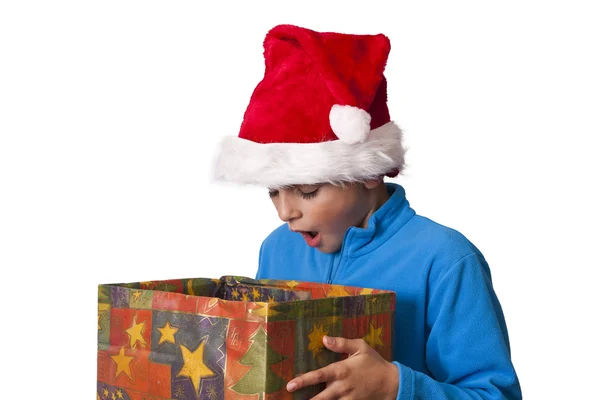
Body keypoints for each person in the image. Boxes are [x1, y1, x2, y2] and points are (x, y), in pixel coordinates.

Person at [213, 24, 522, 400]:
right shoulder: (276, 249)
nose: (284, 212)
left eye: (308, 191)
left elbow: (496, 394)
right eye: (273, 191)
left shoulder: (445, 260)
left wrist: (395, 386)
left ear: (370, 173)